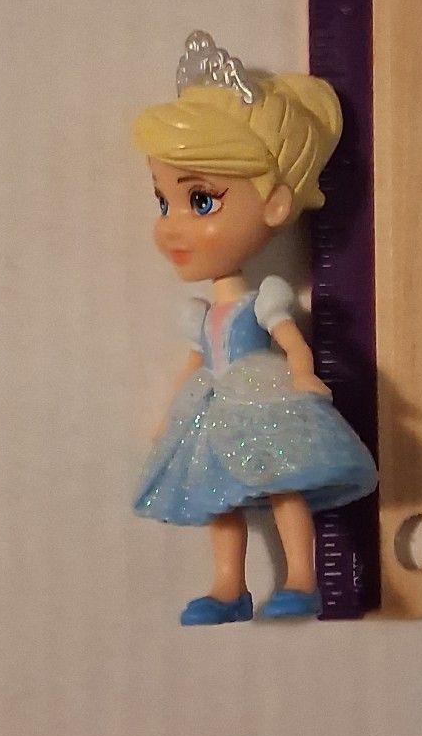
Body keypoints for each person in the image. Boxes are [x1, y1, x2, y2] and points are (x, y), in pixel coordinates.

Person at [132, 31, 377, 625]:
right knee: (218, 499)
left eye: (201, 201)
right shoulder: (202, 312)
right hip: (213, 402)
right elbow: (197, 359)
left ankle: (301, 577)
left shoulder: (261, 300)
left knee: (281, 485)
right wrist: (170, 413)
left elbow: (289, 340)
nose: (171, 226)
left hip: (261, 396)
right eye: (164, 202)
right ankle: (228, 586)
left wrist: (303, 373)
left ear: (274, 205)